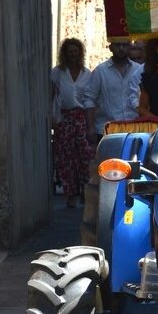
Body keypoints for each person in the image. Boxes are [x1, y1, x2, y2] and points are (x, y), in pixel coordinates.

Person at [50, 38, 92, 208]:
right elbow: (51, 96)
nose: (73, 54)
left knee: (84, 156)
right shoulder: (57, 73)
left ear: (80, 53)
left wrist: (90, 123)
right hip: (65, 117)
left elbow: (90, 99)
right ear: (65, 53)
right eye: (70, 51)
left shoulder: (87, 74)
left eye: (76, 51)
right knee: (66, 157)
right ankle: (69, 195)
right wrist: (53, 119)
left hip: (81, 117)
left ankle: (84, 190)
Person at [83, 41, 141, 143]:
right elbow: (89, 99)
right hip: (107, 130)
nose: (121, 48)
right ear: (110, 47)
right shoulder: (100, 71)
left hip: (134, 129)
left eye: (125, 44)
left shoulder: (138, 70)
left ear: (130, 47)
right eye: (117, 45)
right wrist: (90, 127)